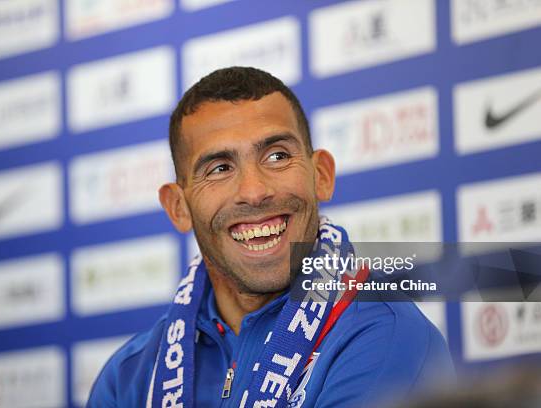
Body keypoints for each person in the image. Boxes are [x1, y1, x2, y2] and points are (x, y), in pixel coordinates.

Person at [87, 67, 454, 408]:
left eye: (277, 156)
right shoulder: (131, 376)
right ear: (178, 207)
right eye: (219, 168)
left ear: (321, 175)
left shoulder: (385, 336)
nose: (254, 190)